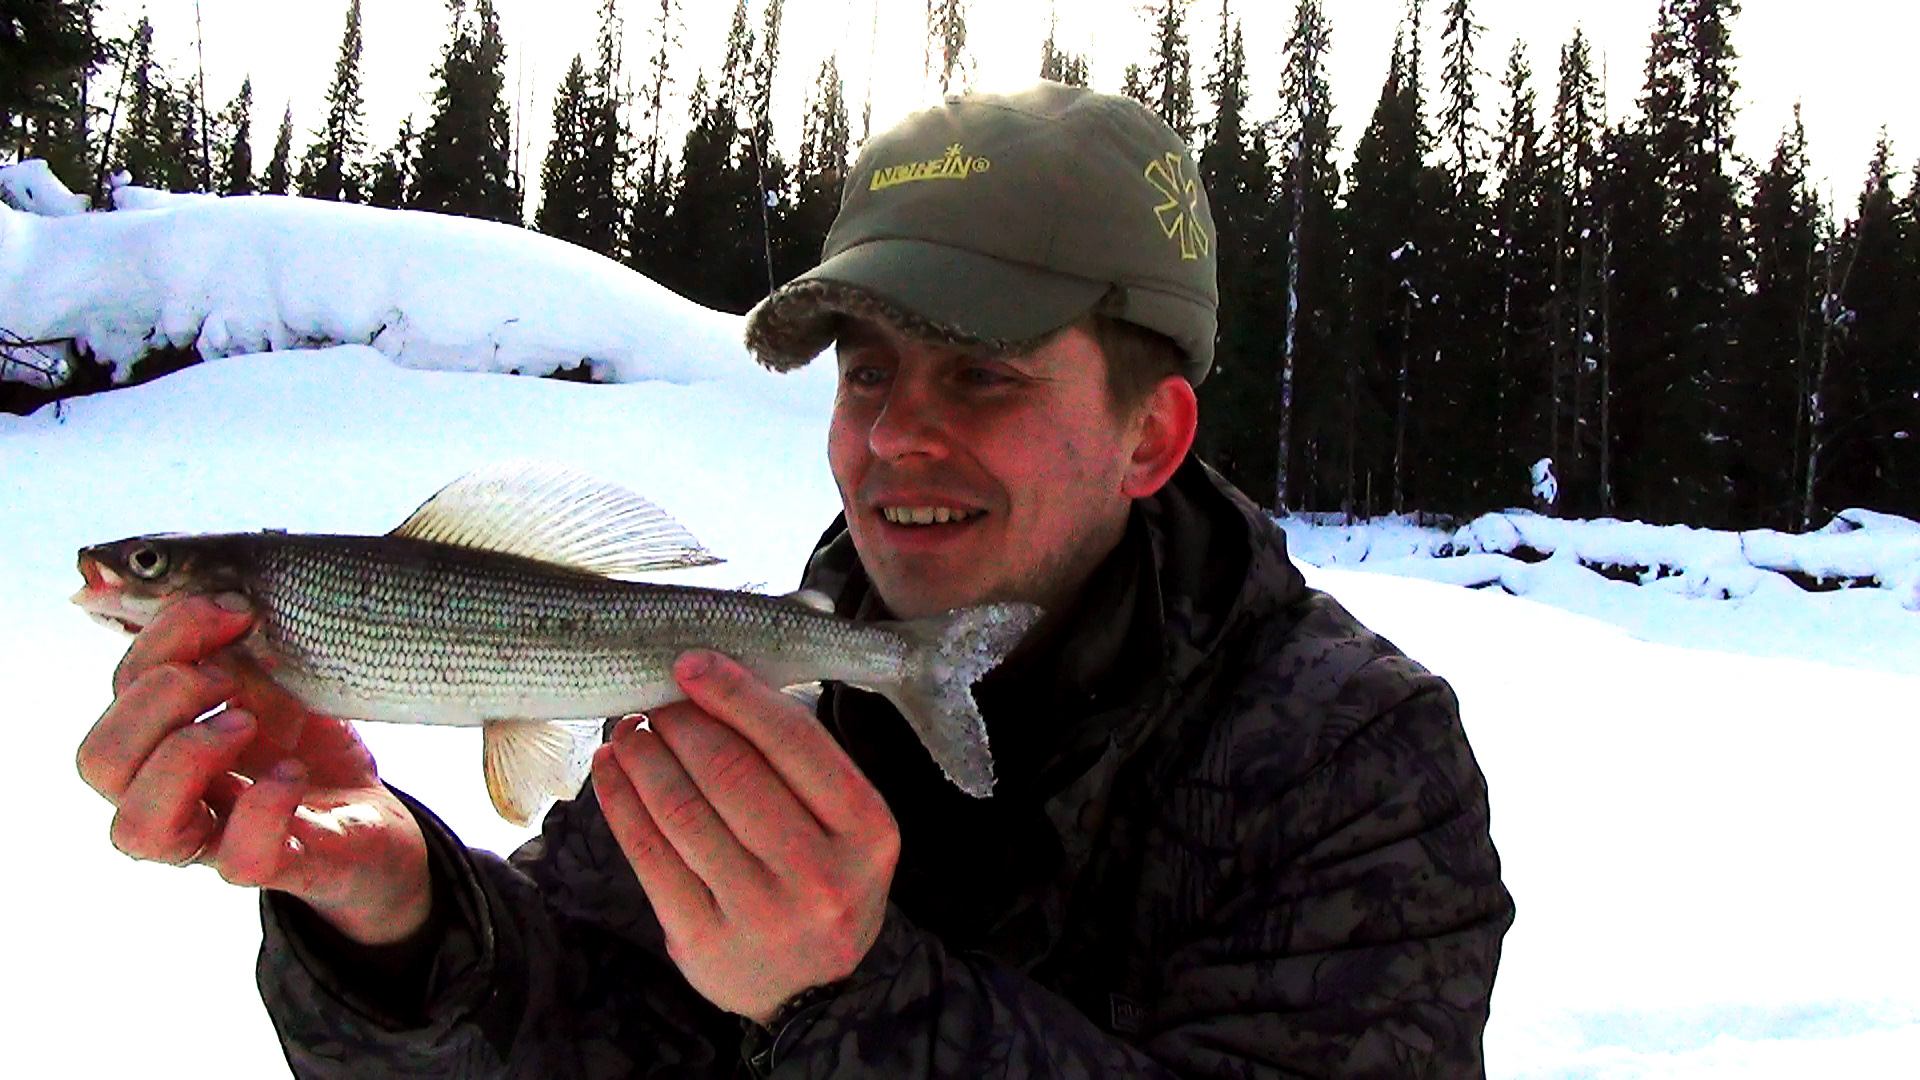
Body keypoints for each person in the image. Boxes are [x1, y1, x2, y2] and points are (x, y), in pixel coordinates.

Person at [77, 83, 1513, 1078]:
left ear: (1151, 435)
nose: (893, 437)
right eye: (868, 369)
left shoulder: (1356, 767)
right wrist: (400, 924)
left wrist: (845, 995)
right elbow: (584, 1023)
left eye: (983, 376)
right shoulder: (773, 686)